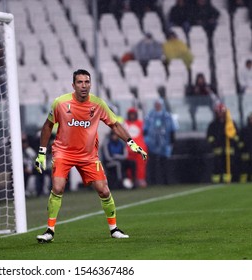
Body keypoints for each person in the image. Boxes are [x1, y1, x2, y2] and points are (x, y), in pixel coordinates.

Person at [33, 69, 147, 243]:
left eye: (87, 82)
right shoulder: (61, 103)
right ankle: (50, 231)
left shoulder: (98, 104)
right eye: (80, 82)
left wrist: (132, 143)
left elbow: (115, 125)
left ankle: (114, 229)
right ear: (73, 85)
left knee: (104, 190)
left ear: (90, 84)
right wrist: (41, 152)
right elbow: (48, 126)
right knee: (58, 187)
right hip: (63, 152)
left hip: (88, 155)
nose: (84, 85)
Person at [143, 99, 176, 185]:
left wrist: (171, 141)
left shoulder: (167, 115)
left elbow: (172, 129)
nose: (157, 106)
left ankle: (166, 181)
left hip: (164, 143)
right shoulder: (150, 115)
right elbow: (145, 129)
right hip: (152, 143)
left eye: (159, 104)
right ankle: (152, 181)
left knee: (164, 163)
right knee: (152, 163)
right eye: (156, 104)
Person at [206, 103, 239, 183]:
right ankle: (216, 181)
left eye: (221, 112)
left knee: (228, 166)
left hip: (228, 149)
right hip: (217, 150)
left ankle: (227, 180)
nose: (220, 114)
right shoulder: (213, 125)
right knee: (217, 166)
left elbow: (236, 136)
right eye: (218, 112)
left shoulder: (230, 124)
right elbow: (209, 137)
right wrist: (215, 144)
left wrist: (232, 143)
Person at [123, 107, 148, 188]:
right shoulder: (125, 124)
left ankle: (141, 179)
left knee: (141, 165)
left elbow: (145, 134)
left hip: (140, 148)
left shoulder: (141, 123)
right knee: (130, 166)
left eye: (133, 114)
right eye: (131, 114)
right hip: (129, 148)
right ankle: (131, 180)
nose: (132, 116)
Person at [238, 112, 252, 182]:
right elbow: (239, 141)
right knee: (244, 170)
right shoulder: (244, 130)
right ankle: (242, 183)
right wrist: (242, 147)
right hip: (245, 154)